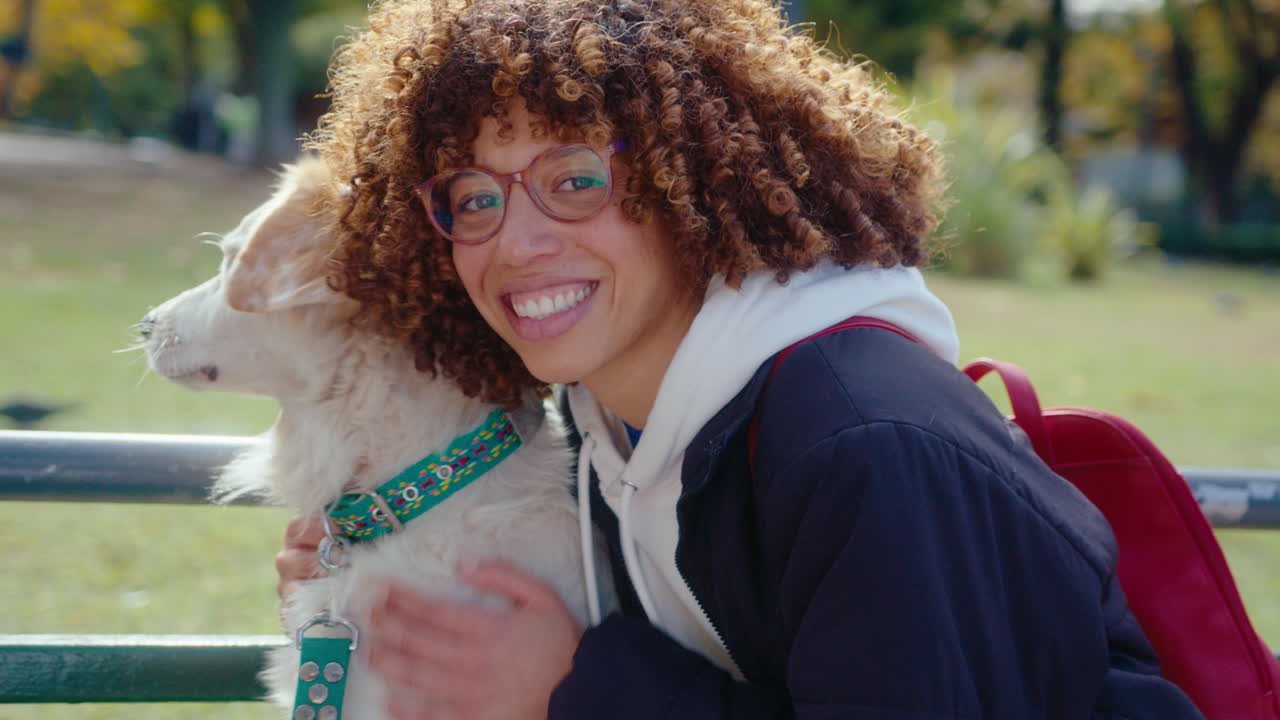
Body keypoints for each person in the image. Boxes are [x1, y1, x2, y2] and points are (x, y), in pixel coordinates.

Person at [276, 0, 1206, 717]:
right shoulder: (608, 415)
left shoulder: (864, 443)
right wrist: (380, 563)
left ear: (695, 179)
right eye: (473, 197)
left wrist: (576, 688)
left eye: (575, 179)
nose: (512, 242)